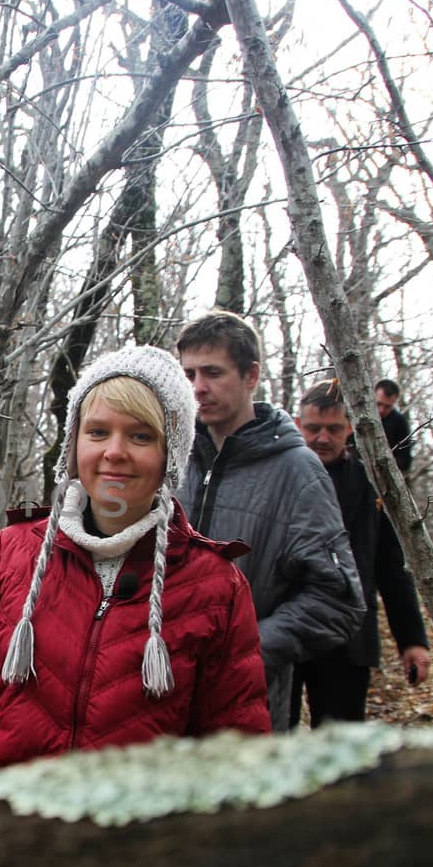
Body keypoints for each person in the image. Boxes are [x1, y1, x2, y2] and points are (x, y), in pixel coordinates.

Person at [0, 345, 271, 801]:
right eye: (97, 432)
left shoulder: (215, 585)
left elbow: (233, 752)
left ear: (172, 454)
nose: (114, 452)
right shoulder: (12, 554)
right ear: (73, 444)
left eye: (140, 436)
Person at [175, 311, 365, 733]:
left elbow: (339, 599)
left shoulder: (298, 471)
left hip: (246, 712)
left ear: (251, 375)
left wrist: (248, 652)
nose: (197, 388)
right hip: (159, 705)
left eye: (212, 372)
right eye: (188, 374)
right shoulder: (172, 460)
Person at [293, 379, 431, 726]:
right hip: (283, 631)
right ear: (298, 426)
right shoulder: (276, 476)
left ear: (349, 428)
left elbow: (389, 564)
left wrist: (412, 640)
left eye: (333, 429)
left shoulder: (371, 484)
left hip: (348, 637)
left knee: (341, 751)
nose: (322, 438)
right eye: (313, 428)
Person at [374, 378, 413, 474]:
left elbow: (405, 461)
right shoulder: (355, 415)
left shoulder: (400, 423)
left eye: (387, 406)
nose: (381, 410)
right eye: (379, 404)